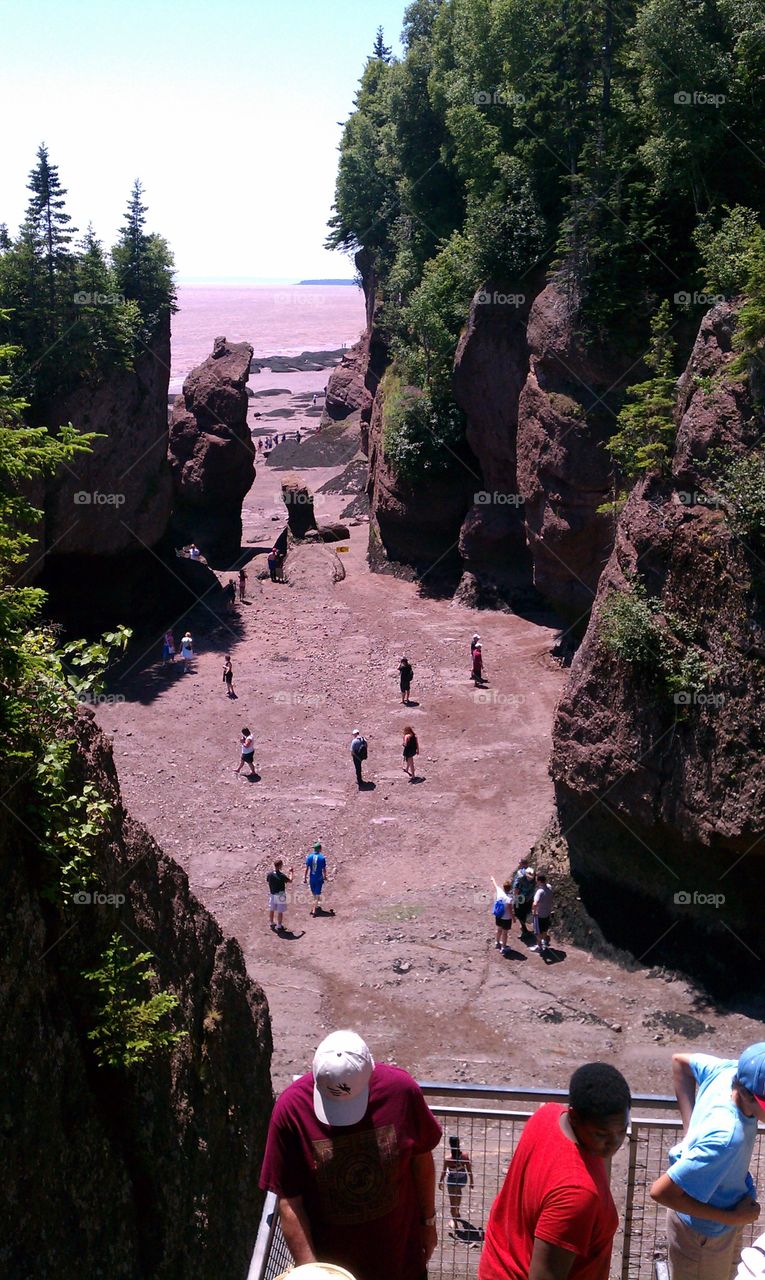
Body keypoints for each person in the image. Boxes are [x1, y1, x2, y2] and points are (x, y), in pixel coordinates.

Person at [259, 1029, 442, 1280]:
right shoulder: (291, 1110)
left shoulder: (401, 1092)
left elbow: (421, 1159)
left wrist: (428, 1223)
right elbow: (290, 1200)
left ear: (370, 1072)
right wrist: (315, 1274)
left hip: (402, 1263)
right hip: (333, 1270)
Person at [479, 1062, 632, 1280]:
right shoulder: (576, 1195)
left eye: (622, 1130)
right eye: (601, 1134)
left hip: (498, 1266)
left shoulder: (547, 1114)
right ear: (574, 1117)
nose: (614, 1142)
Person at [650, 1044, 765, 1280]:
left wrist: (690, 1132)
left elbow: (680, 1061)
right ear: (745, 1094)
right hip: (703, 1236)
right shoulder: (725, 1140)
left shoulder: (728, 1071)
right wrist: (733, 1218)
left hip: (722, 1221)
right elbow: (661, 1192)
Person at [439, 1135, 474, 1233]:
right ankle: (457, 1212)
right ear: (459, 1144)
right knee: (458, 1193)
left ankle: (454, 1223)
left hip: (452, 1181)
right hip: (462, 1179)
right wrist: (471, 1181)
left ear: (450, 1145)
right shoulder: (465, 1156)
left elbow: (444, 1171)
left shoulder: (448, 1158)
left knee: (452, 1203)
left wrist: (440, 1181)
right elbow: (469, 1170)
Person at [304, 841, 331, 916]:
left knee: (314, 893)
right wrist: (325, 876)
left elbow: (306, 868)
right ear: (320, 849)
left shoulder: (309, 857)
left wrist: (305, 878)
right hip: (319, 878)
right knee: (317, 894)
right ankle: (314, 909)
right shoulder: (322, 858)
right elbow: (324, 869)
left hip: (312, 878)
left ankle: (316, 905)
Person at [267, 857, 293, 932]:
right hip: (280, 894)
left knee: (271, 909)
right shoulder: (281, 875)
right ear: (279, 866)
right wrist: (291, 872)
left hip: (272, 894)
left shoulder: (270, 874)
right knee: (280, 911)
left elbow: (268, 881)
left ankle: (271, 923)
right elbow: (290, 881)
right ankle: (279, 925)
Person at [531, 871, 553, 954]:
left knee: (537, 932)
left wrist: (534, 911)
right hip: (547, 913)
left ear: (539, 881)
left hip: (539, 915)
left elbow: (535, 903)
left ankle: (539, 946)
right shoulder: (549, 887)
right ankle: (544, 942)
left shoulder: (540, 891)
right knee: (544, 930)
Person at [490, 875, 514, 954]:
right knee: (505, 933)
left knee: (499, 929)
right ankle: (503, 947)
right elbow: (510, 910)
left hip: (499, 916)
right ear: (510, 888)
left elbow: (495, 885)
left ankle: (497, 942)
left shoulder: (499, 892)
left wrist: (493, 879)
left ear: (503, 887)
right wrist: (513, 918)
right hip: (506, 918)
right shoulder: (509, 898)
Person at [512, 861, 536, 938]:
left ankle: (524, 927)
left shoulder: (532, 878)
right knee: (520, 913)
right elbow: (516, 889)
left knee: (523, 913)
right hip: (521, 899)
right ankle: (523, 927)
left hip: (528, 898)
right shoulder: (520, 878)